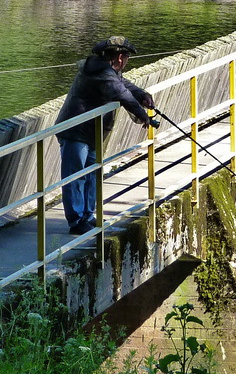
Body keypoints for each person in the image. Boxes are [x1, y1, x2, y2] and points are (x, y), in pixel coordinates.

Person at [54, 35, 158, 234]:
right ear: (119, 58)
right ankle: (76, 221)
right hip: (76, 131)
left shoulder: (105, 69)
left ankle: (87, 215)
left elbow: (125, 85)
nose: (127, 61)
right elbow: (121, 93)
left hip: (91, 132)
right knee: (75, 176)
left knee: (92, 173)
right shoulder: (101, 72)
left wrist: (142, 95)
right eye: (127, 56)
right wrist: (143, 115)